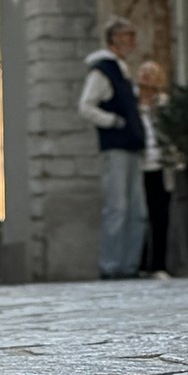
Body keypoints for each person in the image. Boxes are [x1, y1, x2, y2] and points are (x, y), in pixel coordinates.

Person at [77, 18, 148, 280]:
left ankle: (129, 265)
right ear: (116, 39)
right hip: (116, 146)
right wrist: (112, 121)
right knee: (117, 207)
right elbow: (86, 106)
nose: (133, 41)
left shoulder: (121, 70)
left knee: (136, 210)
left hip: (131, 145)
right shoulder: (103, 70)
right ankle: (111, 265)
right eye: (129, 36)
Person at [135, 59, 173, 278]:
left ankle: (159, 265)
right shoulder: (132, 104)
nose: (147, 76)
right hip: (138, 165)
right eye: (143, 72)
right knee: (139, 215)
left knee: (160, 216)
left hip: (160, 165)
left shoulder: (164, 104)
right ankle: (139, 264)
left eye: (152, 72)